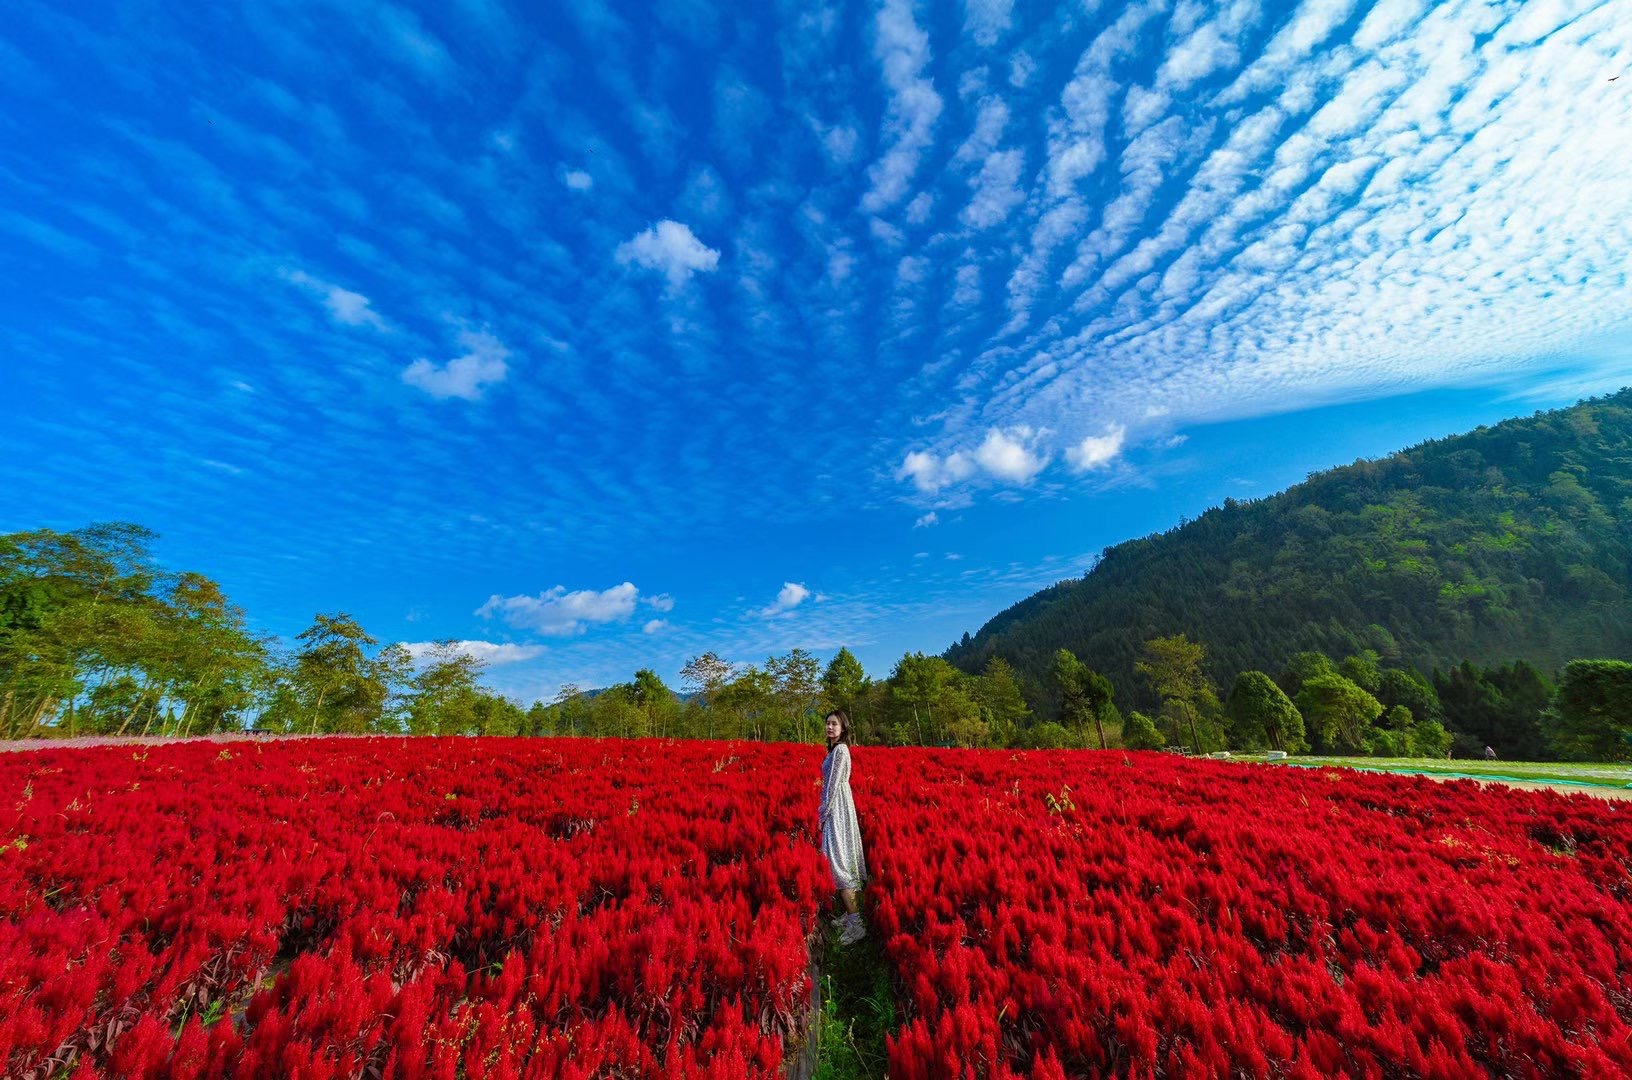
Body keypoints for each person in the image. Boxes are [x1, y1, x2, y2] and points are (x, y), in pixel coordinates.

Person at [820, 709, 868, 945]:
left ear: (843, 728)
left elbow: (831, 786)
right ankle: (850, 917)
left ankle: (857, 924)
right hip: (838, 807)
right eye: (828, 723)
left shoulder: (840, 751)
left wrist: (823, 814)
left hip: (836, 809)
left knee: (840, 865)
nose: (830, 727)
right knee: (840, 860)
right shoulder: (836, 749)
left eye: (834, 724)